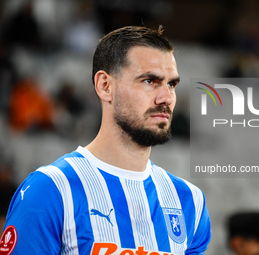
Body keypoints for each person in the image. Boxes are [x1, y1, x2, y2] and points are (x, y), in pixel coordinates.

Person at [0, 26, 211, 255]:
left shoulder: (190, 202)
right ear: (105, 86)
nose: (166, 98)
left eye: (171, 84)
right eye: (150, 81)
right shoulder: (50, 190)